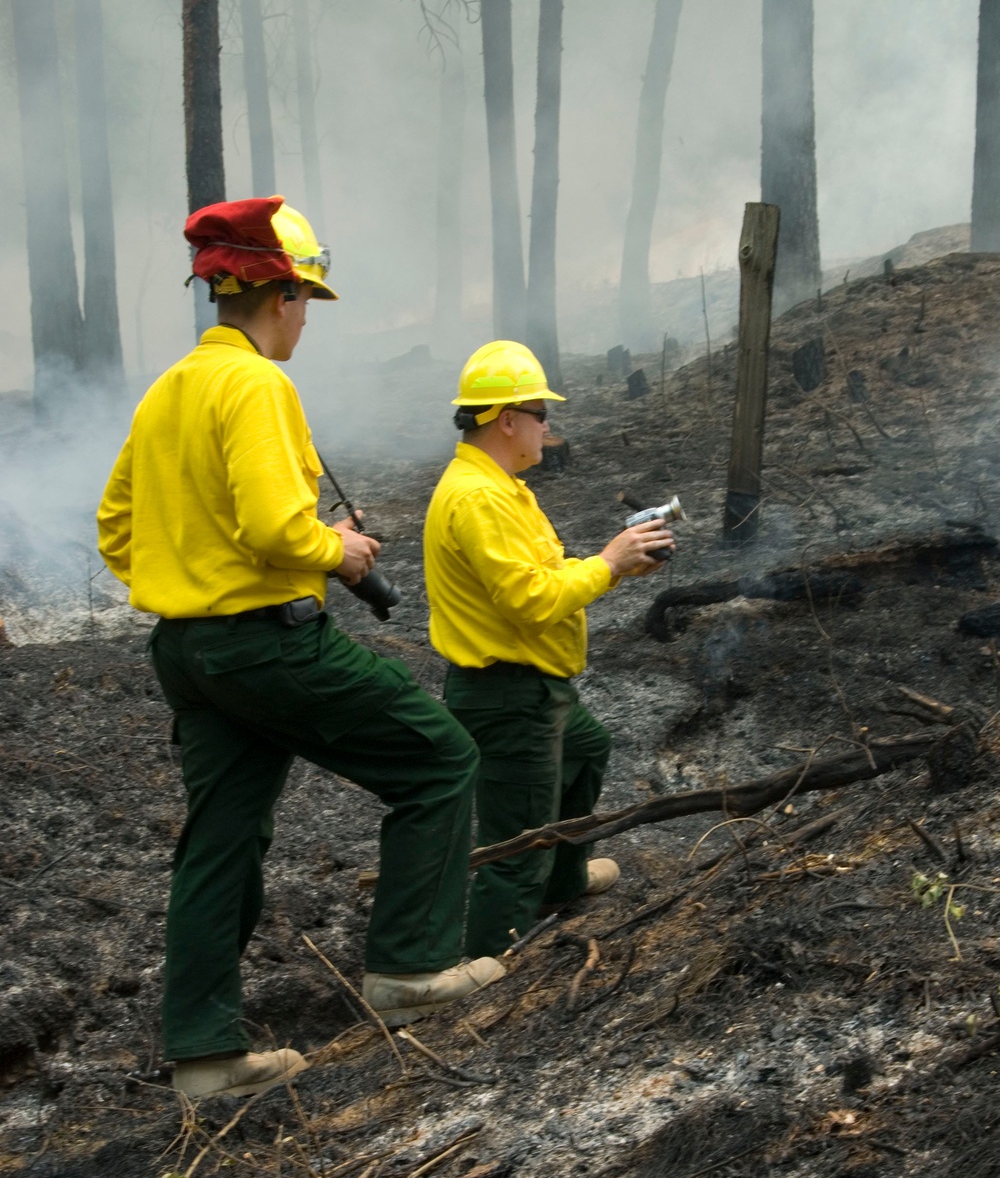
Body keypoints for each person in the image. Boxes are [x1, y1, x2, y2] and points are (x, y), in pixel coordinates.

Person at [97, 197, 503, 1100]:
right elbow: (280, 529)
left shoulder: (169, 390)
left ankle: (204, 1056)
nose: (307, 320)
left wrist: (189, 575)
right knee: (440, 760)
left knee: (221, 838)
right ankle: (411, 968)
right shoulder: (259, 386)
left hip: (188, 654)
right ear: (281, 297)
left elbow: (116, 526)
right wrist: (341, 550)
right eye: (307, 301)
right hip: (265, 647)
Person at [423, 340, 675, 960]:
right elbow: (531, 600)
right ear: (507, 420)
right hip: (509, 693)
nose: (547, 428)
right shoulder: (480, 499)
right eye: (541, 415)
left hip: (533, 683)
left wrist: (615, 569)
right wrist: (607, 562)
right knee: (519, 839)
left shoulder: (501, 487)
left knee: (588, 749)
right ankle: (492, 961)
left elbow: (545, 576)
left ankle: (562, 881)